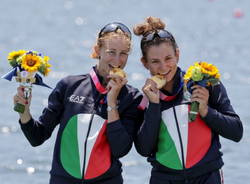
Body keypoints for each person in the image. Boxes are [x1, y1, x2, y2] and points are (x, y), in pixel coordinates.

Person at [13, 22, 143, 184]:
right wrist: (24, 112)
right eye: (111, 52)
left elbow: (120, 149)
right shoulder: (69, 86)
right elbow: (37, 137)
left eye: (123, 53)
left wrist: (112, 102)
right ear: (97, 51)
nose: (117, 60)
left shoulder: (131, 97)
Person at [133, 16, 243, 184]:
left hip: (207, 177)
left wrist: (206, 110)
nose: (163, 67)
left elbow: (236, 132)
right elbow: (144, 149)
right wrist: (154, 105)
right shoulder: (144, 99)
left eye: (168, 58)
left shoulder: (204, 84)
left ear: (177, 54)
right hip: (164, 179)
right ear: (144, 63)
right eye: (155, 61)